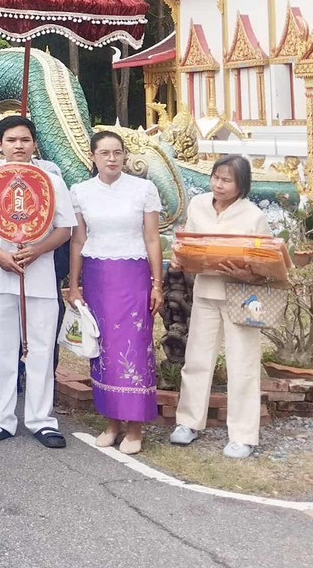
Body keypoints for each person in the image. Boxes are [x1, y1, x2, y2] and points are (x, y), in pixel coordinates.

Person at [0, 116, 75, 450]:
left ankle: (42, 420)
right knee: (3, 348)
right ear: (0, 144)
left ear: (34, 143)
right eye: (11, 140)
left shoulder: (51, 180)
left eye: (24, 140)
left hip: (39, 275)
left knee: (41, 348)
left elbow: (65, 227)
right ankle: (0, 418)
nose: (18, 146)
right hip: (0, 273)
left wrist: (38, 250)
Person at [66, 131, 163, 454]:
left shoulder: (143, 189)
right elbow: (78, 241)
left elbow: (152, 239)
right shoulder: (80, 192)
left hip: (134, 276)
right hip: (97, 276)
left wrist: (157, 283)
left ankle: (135, 428)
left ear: (124, 156)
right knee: (103, 348)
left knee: (135, 347)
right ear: (92, 156)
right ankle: (111, 422)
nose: (112, 159)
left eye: (117, 152)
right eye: (105, 153)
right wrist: (75, 284)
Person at [171, 155, 269, 459]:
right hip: (204, 292)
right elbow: (186, 242)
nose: (219, 184)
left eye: (227, 180)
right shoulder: (198, 205)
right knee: (197, 359)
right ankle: (188, 422)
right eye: (216, 177)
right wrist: (179, 256)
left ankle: (243, 436)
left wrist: (248, 273)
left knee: (243, 365)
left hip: (242, 297)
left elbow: (268, 262)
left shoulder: (253, 216)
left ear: (242, 185)